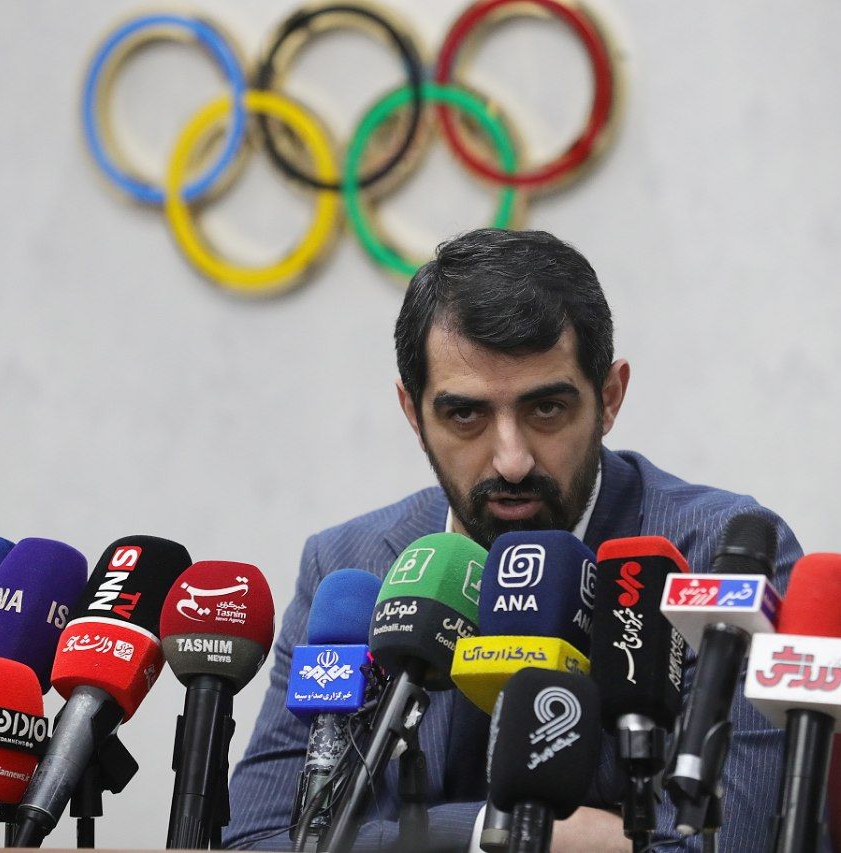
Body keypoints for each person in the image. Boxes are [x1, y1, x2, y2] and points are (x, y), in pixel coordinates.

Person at [224, 228, 802, 851]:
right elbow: (256, 840)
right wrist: (489, 834)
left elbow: (722, 845)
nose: (512, 460)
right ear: (413, 414)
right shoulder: (349, 566)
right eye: (465, 414)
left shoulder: (718, 557)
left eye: (546, 409)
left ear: (609, 399)